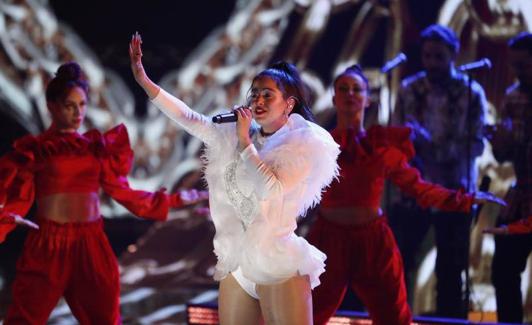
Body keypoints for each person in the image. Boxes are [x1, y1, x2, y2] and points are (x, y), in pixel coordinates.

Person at [129, 33, 340, 324]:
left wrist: (245, 144)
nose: (258, 100)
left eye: (268, 94)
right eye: (254, 93)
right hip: (236, 262)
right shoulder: (234, 134)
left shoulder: (302, 144)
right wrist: (145, 81)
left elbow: (270, 189)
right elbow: (191, 118)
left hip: (276, 263)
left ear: (288, 104)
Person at [0, 62, 206, 324]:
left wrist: (173, 200)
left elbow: (123, 192)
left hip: (91, 244)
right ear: (52, 106)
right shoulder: (37, 150)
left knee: (105, 319)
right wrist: (8, 215)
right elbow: (17, 194)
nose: (78, 113)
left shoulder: (96, 148)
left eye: (82, 105)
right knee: (24, 319)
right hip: (48, 245)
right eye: (69, 105)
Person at [307, 64, 503, 325]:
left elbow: (418, 188)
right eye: (343, 89)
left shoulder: (380, 145)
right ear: (334, 98)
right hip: (329, 241)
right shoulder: (318, 145)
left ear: (367, 99)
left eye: (357, 89)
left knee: (395, 318)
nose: (350, 94)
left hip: (373, 242)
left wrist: (465, 199)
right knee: (306, 316)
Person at [391, 24, 488, 318]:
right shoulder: (410, 89)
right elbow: (397, 136)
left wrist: (436, 147)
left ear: (453, 55)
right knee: (401, 262)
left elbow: (478, 144)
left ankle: (449, 320)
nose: (432, 63)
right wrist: (412, 143)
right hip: (414, 191)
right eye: (427, 56)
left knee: (450, 269)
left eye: (439, 57)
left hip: (453, 189)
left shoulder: (471, 92)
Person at [484, 31, 532, 324]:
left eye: (524, 65)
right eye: (514, 65)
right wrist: (498, 142)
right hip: (523, 193)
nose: (517, 72)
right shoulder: (513, 96)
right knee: (504, 269)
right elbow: (504, 157)